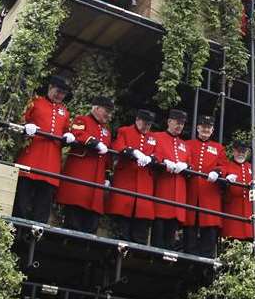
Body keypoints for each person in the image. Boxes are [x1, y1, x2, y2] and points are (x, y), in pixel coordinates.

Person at [14, 76, 74, 223]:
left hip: (51, 163)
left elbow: (66, 130)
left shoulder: (65, 112)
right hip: (31, 156)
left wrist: (68, 135)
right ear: (50, 87)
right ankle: (15, 230)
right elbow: (20, 120)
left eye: (63, 93)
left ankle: (35, 232)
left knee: (43, 203)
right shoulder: (35, 102)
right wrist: (25, 126)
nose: (60, 95)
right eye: (58, 91)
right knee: (22, 198)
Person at [55, 95, 114, 234]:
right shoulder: (82, 119)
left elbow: (108, 156)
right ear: (97, 108)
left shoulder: (107, 131)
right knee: (74, 217)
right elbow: (78, 132)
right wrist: (94, 142)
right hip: (80, 176)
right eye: (107, 111)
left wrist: (106, 175)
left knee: (91, 221)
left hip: (96, 179)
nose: (109, 115)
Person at [107, 108, 158, 244]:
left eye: (149, 124)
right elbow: (118, 145)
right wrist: (133, 152)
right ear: (137, 120)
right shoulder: (125, 131)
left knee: (140, 227)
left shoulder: (153, 137)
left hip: (144, 185)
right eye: (144, 122)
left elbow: (159, 154)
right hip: (126, 181)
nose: (146, 126)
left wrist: (152, 158)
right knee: (122, 225)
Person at [184, 115, 227, 257]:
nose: (205, 130)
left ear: (213, 130)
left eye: (208, 127)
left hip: (209, 194)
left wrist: (217, 171)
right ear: (197, 128)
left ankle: (206, 258)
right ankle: (189, 255)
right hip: (192, 191)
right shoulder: (188, 144)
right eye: (203, 127)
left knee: (209, 227)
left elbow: (223, 166)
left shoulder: (218, 148)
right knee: (190, 225)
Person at [151, 108, 191, 250]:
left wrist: (185, 165)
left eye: (182, 123)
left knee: (171, 234)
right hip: (162, 189)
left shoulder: (184, 145)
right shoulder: (156, 136)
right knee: (158, 228)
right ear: (169, 122)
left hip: (177, 195)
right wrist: (163, 161)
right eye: (177, 122)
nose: (179, 126)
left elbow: (189, 164)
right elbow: (151, 155)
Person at [221, 140, 254, 241]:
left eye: (243, 151)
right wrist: (226, 178)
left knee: (249, 241)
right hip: (233, 208)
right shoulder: (227, 165)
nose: (241, 154)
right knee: (231, 238)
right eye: (238, 151)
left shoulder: (251, 167)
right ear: (234, 151)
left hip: (249, 209)